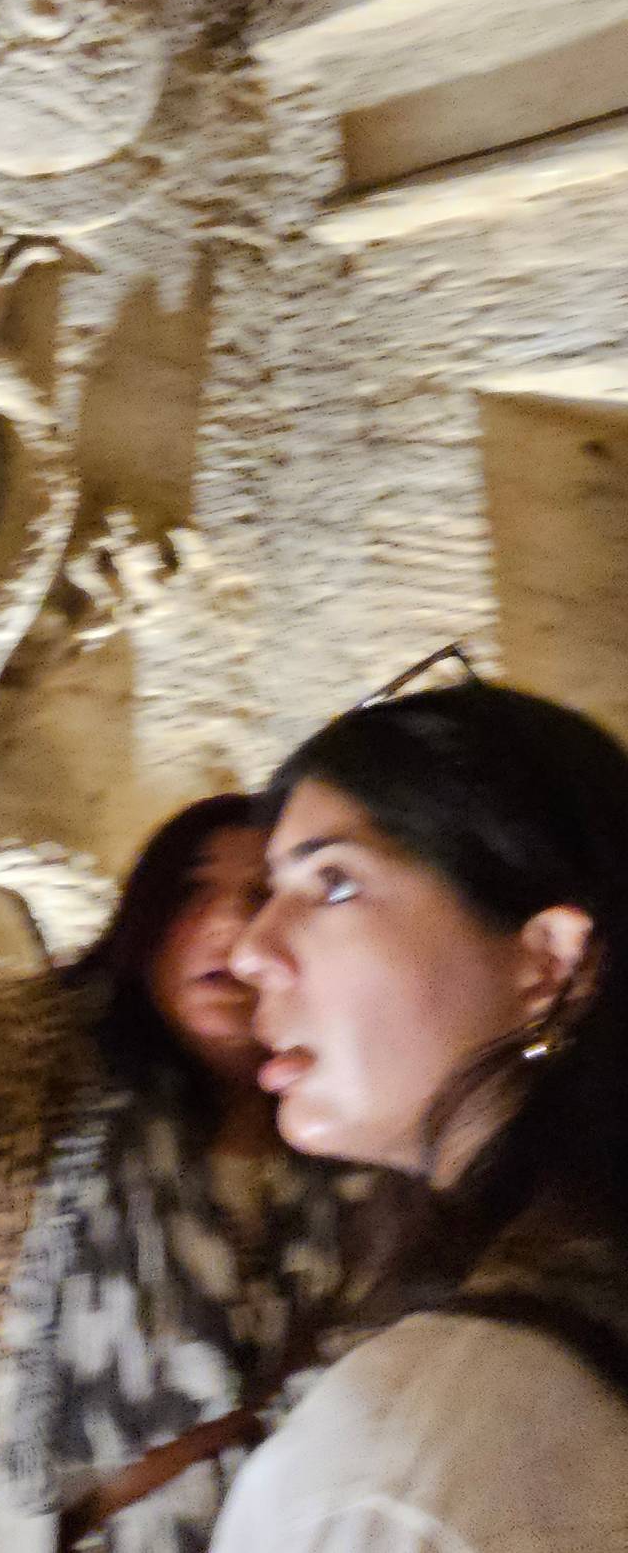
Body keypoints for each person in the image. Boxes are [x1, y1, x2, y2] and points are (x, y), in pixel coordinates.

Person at [0, 671, 348, 1553]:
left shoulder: (376, 1147)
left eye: (260, 898)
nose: (226, 924)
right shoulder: (51, 1085)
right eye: (191, 893)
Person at [212, 655, 628, 1553]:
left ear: (548, 963)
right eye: (270, 894)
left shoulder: (395, 1476)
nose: (249, 952)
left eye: (333, 883)